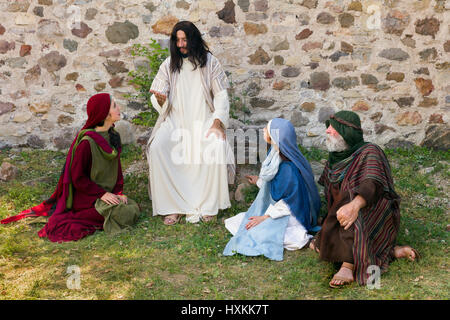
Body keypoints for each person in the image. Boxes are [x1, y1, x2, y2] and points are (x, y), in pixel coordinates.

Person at [1, 93, 141, 242]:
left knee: (129, 207)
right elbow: (78, 178)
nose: (119, 108)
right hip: (87, 198)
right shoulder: (86, 143)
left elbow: (116, 172)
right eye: (114, 106)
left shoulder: (113, 136)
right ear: (104, 113)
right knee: (123, 212)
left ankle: (108, 212)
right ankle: (86, 216)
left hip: (105, 196)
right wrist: (101, 194)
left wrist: (118, 193)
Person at [310, 110, 419, 288]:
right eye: (328, 127)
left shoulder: (370, 151)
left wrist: (354, 205)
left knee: (350, 203)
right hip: (342, 214)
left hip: (374, 208)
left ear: (346, 132)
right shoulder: (335, 158)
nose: (327, 131)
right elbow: (331, 195)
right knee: (319, 244)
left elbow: (373, 183)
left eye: (333, 128)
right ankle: (390, 251)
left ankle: (348, 265)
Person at [146, 21, 234, 225]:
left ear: (193, 39)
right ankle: (172, 206)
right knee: (159, 147)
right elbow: (159, 96)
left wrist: (217, 122)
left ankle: (208, 204)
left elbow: (221, 95)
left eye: (184, 39)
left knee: (216, 145)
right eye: (177, 40)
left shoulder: (211, 63)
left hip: (204, 120)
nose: (181, 44)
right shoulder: (168, 64)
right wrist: (160, 99)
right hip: (175, 121)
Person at [223, 118, 321, 261]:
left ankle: (305, 240)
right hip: (279, 209)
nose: (263, 130)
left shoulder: (288, 169)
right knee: (240, 222)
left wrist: (265, 217)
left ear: (275, 136)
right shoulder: (276, 155)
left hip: (291, 213)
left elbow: (289, 201)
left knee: (255, 232)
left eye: (266, 129)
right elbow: (275, 185)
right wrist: (259, 181)